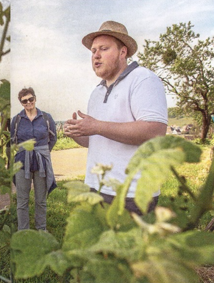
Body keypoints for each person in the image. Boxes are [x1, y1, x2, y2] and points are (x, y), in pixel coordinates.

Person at [63, 21, 168, 215]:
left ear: (123, 52)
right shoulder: (96, 92)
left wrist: (96, 126)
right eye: (93, 50)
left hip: (132, 194)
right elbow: (96, 139)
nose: (96, 55)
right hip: (96, 188)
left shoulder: (143, 79)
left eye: (104, 48)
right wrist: (77, 133)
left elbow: (155, 131)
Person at [11, 87, 57, 230]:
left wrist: (44, 152)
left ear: (35, 99)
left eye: (31, 99)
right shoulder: (17, 120)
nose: (28, 102)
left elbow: (53, 138)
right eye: (25, 101)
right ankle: (23, 232)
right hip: (22, 162)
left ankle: (41, 230)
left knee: (41, 200)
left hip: (41, 162)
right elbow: (13, 140)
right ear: (21, 103)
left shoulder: (46, 118)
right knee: (22, 201)